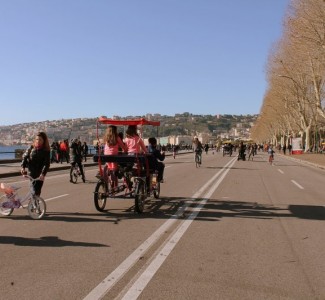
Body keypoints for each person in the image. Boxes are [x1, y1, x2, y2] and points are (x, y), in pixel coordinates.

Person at [21, 132, 51, 196]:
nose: (38, 141)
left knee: (37, 192)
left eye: (40, 139)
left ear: (44, 141)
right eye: (37, 139)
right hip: (31, 174)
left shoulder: (46, 151)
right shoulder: (31, 148)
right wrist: (23, 167)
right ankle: (32, 204)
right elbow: (25, 157)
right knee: (32, 192)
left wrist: (43, 174)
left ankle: (35, 205)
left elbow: (47, 164)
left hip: (39, 175)